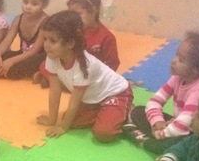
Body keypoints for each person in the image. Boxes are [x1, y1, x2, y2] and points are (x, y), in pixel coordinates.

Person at [123, 33, 199, 154]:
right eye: (176, 55)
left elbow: (185, 125)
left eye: (181, 59)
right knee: (138, 111)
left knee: (179, 146)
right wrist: (157, 122)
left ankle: (145, 141)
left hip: (194, 132)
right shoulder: (178, 77)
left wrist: (160, 133)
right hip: (178, 123)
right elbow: (155, 101)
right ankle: (152, 138)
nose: (173, 61)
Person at [36, 10, 133, 142]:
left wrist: (62, 127)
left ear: (70, 43)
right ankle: (106, 112)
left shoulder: (84, 66)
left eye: (52, 41)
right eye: (45, 39)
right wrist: (52, 120)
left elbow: (74, 103)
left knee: (103, 133)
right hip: (92, 99)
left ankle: (124, 111)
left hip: (116, 93)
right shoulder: (52, 57)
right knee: (68, 119)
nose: (46, 45)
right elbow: (54, 91)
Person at [35, 0, 120, 88]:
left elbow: (113, 63)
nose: (74, 18)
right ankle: (58, 81)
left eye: (78, 14)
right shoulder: (73, 31)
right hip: (72, 69)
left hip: (90, 74)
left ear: (94, 11)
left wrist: (102, 80)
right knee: (44, 64)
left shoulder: (106, 37)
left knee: (84, 82)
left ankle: (59, 83)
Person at [0, 0, 50, 81]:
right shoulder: (18, 19)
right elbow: (6, 41)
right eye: (25, 2)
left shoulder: (46, 23)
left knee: (20, 66)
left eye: (34, 4)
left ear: (45, 4)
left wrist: (11, 61)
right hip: (23, 54)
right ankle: (35, 74)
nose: (28, 7)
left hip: (38, 57)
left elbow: (34, 51)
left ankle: (0, 72)